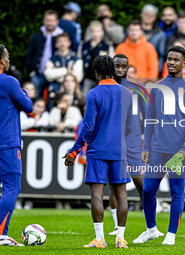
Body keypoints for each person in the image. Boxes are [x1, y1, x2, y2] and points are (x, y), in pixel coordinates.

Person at [133, 46, 185, 245]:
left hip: (178, 150)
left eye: (176, 60)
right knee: (147, 190)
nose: (171, 62)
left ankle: (171, 234)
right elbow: (151, 118)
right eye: (169, 59)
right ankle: (151, 229)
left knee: (176, 192)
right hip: (157, 149)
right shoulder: (156, 86)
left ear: (184, 64)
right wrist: (146, 147)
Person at [63, 55, 133, 248]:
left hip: (97, 151)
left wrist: (74, 151)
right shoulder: (127, 93)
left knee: (97, 194)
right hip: (119, 151)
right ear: (112, 70)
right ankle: (120, 238)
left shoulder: (94, 93)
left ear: (96, 72)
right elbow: (130, 126)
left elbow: (87, 127)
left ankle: (100, 239)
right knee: (121, 195)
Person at [0, 44, 33, 246]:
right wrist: (24, 92)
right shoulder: (9, 81)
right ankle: (2, 235)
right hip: (7, 142)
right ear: (1, 60)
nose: (9, 60)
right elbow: (28, 107)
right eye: (7, 57)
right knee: (12, 187)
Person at [108, 54, 146, 236]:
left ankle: (150, 225)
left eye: (124, 66)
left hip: (134, 142)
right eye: (117, 66)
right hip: (113, 141)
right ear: (112, 66)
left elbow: (149, 114)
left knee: (141, 183)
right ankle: (117, 226)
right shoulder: (106, 87)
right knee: (113, 184)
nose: (120, 69)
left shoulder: (138, 88)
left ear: (128, 68)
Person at [26, 10, 63, 97]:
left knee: (53, 97)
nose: (49, 23)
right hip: (38, 74)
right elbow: (29, 54)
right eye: (47, 20)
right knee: (34, 97)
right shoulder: (37, 36)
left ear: (57, 22)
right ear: (44, 21)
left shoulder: (61, 36)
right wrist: (31, 71)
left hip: (55, 75)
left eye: (52, 20)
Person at [44, 32, 83, 106]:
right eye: (60, 41)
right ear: (56, 44)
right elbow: (48, 75)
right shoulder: (52, 59)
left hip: (72, 88)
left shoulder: (76, 59)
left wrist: (57, 75)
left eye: (65, 41)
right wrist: (66, 71)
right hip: (56, 88)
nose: (62, 43)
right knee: (51, 89)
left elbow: (78, 77)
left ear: (69, 43)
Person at [79, 20, 114, 93]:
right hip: (87, 77)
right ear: (90, 32)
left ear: (102, 32)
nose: (95, 33)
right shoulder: (84, 45)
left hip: (102, 79)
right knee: (86, 98)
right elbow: (79, 60)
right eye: (93, 31)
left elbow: (111, 63)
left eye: (98, 31)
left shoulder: (107, 46)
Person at [139, 4, 165, 74]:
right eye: (146, 14)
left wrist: (158, 70)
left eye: (151, 15)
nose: (148, 17)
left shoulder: (160, 33)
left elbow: (161, 54)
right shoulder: (132, 30)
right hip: (134, 68)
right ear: (141, 14)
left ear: (155, 18)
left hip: (151, 69)